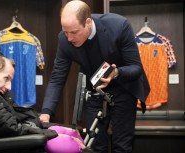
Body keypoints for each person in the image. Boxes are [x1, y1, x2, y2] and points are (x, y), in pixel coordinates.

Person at [40, 0, 150, 153]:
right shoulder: (64, 39)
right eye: (65, 32)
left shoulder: (118, 26)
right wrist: (46, 111)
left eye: (73, 32)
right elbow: (57, 77)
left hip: (124, 88)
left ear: (88, 22)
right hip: (94, 90)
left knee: (122, 146)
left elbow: (136, 68)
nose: (69, 38)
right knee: (95, 146)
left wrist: (116, 73)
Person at [0, 53, 93, 153]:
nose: (9, 86)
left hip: (14, 138)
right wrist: (50, 133)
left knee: (71, 132)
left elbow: (17, 118)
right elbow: (12, 128)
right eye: (6, 78)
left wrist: (50, 127)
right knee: (68, 143)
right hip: (8, 144)